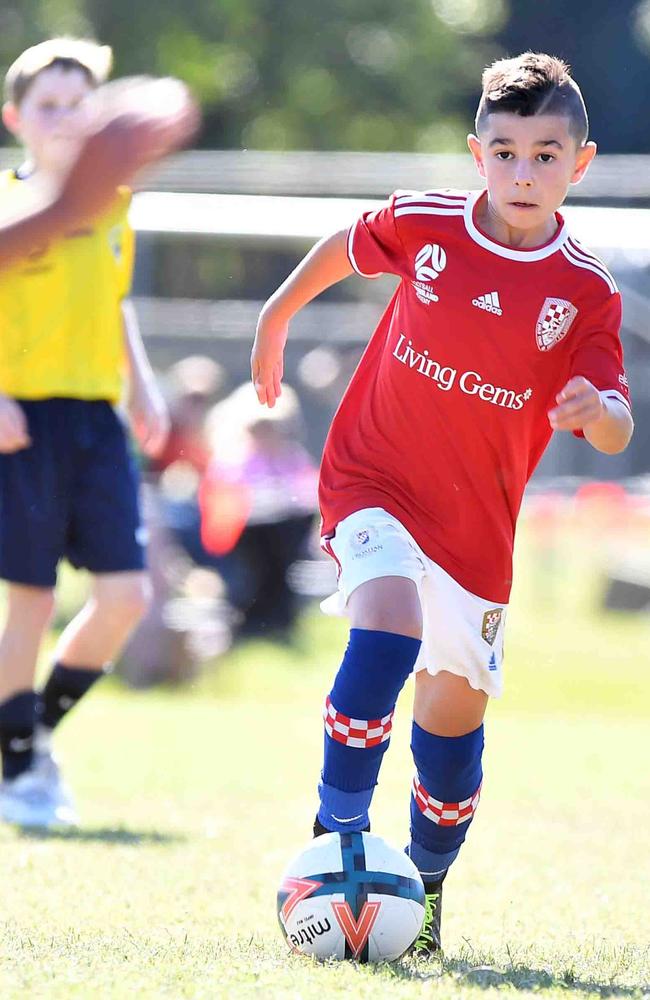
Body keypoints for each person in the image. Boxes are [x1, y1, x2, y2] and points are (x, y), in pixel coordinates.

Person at [251, 52, 633, 956]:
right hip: (371, 479)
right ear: (476, 153)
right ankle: (335, 837)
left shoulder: (586, 291)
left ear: (580, 165)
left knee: (451, 727)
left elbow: (614, 422)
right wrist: (276, 315)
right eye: (504, 152)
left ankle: (422, 896)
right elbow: (346, 245)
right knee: (386, 625)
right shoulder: (427, 225)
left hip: (476, 531)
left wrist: (602, 412)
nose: (522, 172)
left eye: (546, 154)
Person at [0, 38, 196, 829]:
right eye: (47, 105)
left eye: (80, 104)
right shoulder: (13, 204)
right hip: (23, 416)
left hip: (95, 418)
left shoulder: (111, 204)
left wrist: (141, 383)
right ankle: (18, 769)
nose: (65, 119)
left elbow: (111, 303)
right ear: (16, 119)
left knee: (125, 595)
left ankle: (28, 732)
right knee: (34, 600)